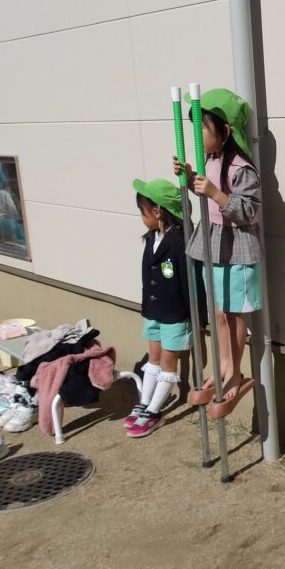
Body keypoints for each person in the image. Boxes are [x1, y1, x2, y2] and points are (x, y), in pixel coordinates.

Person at [174, 88, 262, 401]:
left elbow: (249, 211)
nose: (197, 135)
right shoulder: (209, 161)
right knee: (219, 311)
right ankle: (224, 365)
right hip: (213, 241)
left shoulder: (240, 167)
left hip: (236, 246)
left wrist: (214, 192)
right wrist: (189, 177)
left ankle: (235, 371)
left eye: (203, 127)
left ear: (225, 131)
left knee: (234, 313)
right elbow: (206, 195)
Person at [126, 178, 205, 438]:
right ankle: (144, 404)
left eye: (143, 212)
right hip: (154, 311)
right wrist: (147, 307)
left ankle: (154, 412)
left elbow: (192, 282)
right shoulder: (152, 238)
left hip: (175, 315)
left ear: (158, 211)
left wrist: (198, 316)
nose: (142, 217)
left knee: (168, 364)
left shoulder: (180, 242)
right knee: (153, 359)